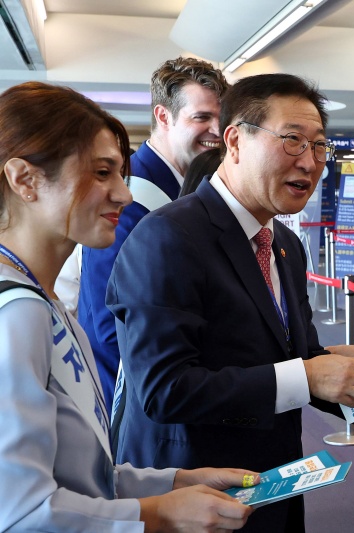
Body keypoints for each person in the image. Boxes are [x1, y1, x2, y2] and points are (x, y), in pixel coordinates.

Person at [107, 73, 354, 533]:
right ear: (235, 140)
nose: (309, 162)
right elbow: (163, 389)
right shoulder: (169, 236)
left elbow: (293, 358)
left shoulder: (284, 243)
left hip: (275, 487)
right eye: (292, 140)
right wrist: (307, 375)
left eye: (320, 145)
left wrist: (348, 377)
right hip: (198, 498)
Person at [0, 81, 258, 532]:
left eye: (119, 173)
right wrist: (159, 514)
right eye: (102, 173)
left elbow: (79, 477)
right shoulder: (15, 314)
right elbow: (22, 514)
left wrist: (172, 482)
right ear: (24, 179)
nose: (123, 193)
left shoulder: (44, 303)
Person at [78, 56, 229, 411]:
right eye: (202, 117)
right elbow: (111, 323)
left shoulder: (193, 192)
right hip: (137, 401)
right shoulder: (128, 198)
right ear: (164, 117)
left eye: (222, 119)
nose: (217, 130)